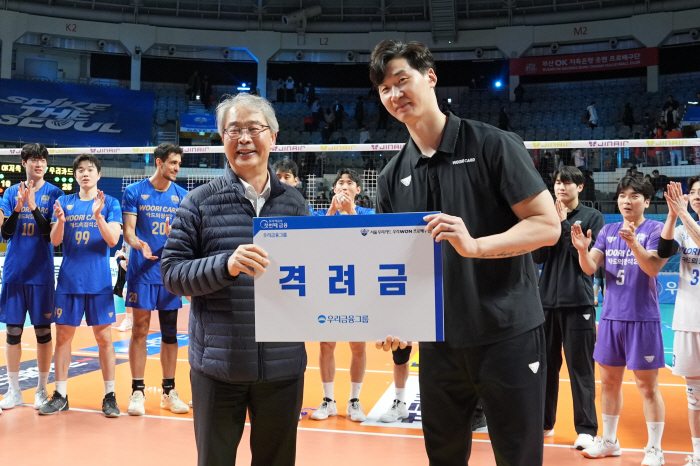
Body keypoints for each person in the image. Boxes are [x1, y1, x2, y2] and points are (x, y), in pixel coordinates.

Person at [370, 39, 560, 466]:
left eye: (402, 80)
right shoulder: (391, 176)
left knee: (518, 457)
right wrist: (394, 317)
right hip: (439, 344)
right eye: (384, 89)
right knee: (444, 457)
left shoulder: (493, 144)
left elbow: (548, 226)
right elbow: (394, 262)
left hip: (507, 334)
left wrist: (475, 246)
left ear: (430, 77)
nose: (395, 94)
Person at [161, 93, 309, 466]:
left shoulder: (296, 204)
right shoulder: (198, 202)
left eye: (253, 128)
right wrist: (225, 265)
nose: (244, 138)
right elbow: (172, 274)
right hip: (218, 367)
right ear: (222, 138)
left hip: (283, 367)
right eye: (233, 130)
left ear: (273, 136)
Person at [571, 175, 668, 465]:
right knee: (608, 383)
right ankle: (610, 442)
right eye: (623, 195)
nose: (627, 200)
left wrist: (634, 243)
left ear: (647, 202)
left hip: (643, 319)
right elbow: (590, 267)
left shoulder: (656, 229)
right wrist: (582, 250)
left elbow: (651, 268)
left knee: (647, 387)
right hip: (611, 318)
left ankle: (654, 449)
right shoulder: (608, 230)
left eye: (634, 196)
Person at [40, 154, 122, 417]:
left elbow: (113, 240)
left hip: (98, 283)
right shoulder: (64, 202)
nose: (85, 173)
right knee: (63, 338)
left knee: (104, 339)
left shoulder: (110, 203)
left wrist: (98, 217)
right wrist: (61, 222)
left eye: (90, 169)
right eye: (81, 170)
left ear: (99, 175)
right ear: (75, 176)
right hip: (69, 282)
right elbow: (55, 241)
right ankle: (61, 394)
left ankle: (109, 396)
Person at [532, 166, 604, 450]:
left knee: (581, 368)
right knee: (545, 367)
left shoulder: (593, 217)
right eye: (558, 183)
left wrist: (563, 226)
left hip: (578, 303)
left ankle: (586, 429)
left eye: (567, 183)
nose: (561, 187)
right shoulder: (547, 216)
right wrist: (552, 224)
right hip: (546, 304)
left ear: (580, 187)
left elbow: (586, 259)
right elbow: (539, 256)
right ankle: (544, 423)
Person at [121, 142, 190, 416]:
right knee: (139, 329)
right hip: (141, 270)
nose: (177, 168)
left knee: (170, 332)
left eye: (179, 164)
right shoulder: (134, 192)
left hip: (170, 273)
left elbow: (187, 236)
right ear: (159, 162)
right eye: (173, 163)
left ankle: (168, 392)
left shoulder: (182, 196)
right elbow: (128, 231)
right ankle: (137, 391)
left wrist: (178, 236)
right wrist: (139, 244)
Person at [308, 169, 375, 423]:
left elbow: (370, 241)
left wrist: (350, 212)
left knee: (358, 345)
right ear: (333, 189)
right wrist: (333, 211)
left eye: (350, 183)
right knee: (326, 344)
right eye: (340, 183)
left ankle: (354, 401)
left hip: (358, 284)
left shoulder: (368, 214)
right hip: (329, 284)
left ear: (358, 189)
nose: (344, 186)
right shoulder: (321, 214)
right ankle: (329, 401)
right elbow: (315, 241)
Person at [0, 143, 62, 412]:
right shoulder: (10, 193)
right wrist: (17, 209)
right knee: (13, 332)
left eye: (42, 160)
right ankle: (13, 390)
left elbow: (51, 236)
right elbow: (5, 234)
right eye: (34, 159)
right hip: (15, 272)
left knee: (43, 332)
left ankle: (41, 389)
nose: (39, 164)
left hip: (41, 274)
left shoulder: (55, 193)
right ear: (24, 163)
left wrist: (34, 208)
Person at [659, 178, 700, 466]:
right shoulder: (684, 229)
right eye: (693, 192)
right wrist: (673, 214)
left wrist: (683, 213)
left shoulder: (690, 224)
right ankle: (698, 454)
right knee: (694, 396)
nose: (696, 196)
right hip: (687, 321)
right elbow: (663, 250)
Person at [114, 242, 133, 332]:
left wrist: (126, 256)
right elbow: (124, 249)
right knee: (126, 293)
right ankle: (128, 320)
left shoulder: (142, 235)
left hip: (142, 267)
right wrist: (120, 253)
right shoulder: (126, 237)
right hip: (130, 268)